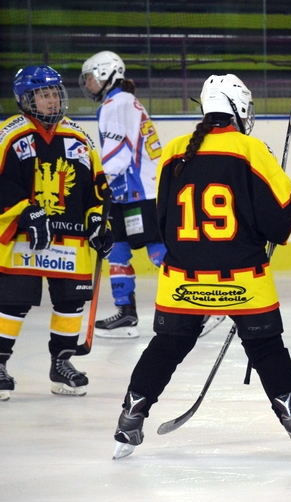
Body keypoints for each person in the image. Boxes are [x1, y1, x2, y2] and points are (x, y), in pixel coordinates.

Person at [112, 74, 291, 460]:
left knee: (167, 345)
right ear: (238, 108)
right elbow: (277, 223)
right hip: (244, 280)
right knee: (266, 348)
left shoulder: (174, 151)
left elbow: (163, 221)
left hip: (181, 280)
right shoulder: (252, 150)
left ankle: (129, 419)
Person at [79, 51, 225, 340]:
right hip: (126, 192)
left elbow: (118, 153)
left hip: (139, 191)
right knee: (117, 250)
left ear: (107, 73)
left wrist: (96, 180)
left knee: (158, 251)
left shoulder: (116, 104)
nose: (89, 85)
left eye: (91, 78)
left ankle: (204, 303)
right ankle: (126, 312)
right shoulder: (124, 101)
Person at [0, 65, 112, 400]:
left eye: (54, 94)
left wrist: (99, 222)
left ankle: (61, 363)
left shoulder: (79, 136)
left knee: (71, 301)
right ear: (26, 99)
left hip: (71, 238)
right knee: (13, 302)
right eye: (43, 95)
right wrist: (24, 211)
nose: (51, 101)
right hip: (25, 237)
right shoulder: (10, 134)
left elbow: (98, 188)